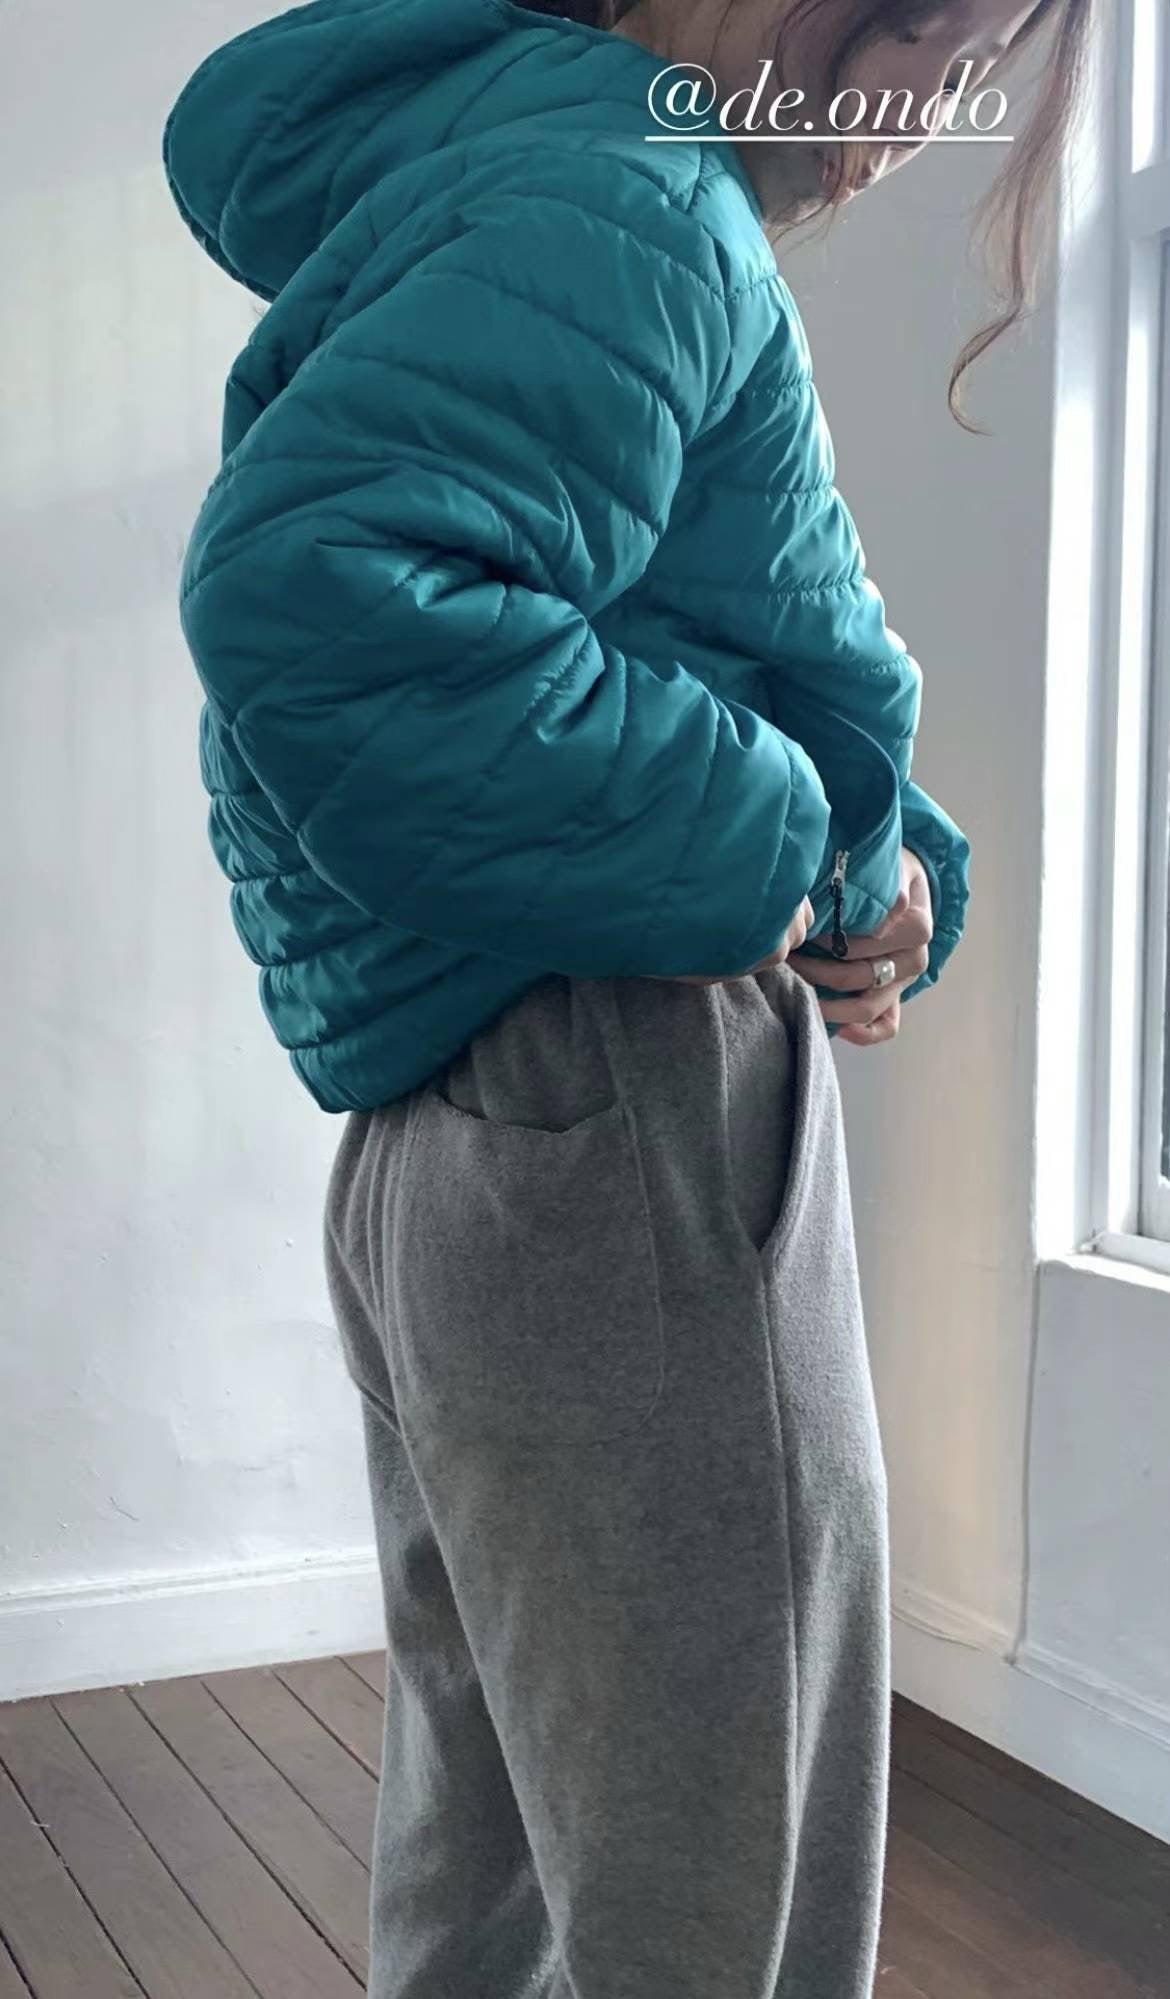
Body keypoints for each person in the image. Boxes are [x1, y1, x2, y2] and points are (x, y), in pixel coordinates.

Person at [162, 0, 1092, 1989]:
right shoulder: (639, 197)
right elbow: (329, 604)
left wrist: (878, 848)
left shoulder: (517, 163)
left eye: (982, 53)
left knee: (497, 1866)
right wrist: (802, 842)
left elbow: (650, 624)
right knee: (716, 1900)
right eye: (913, 14)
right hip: (634, 1105)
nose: (926, 103)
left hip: (473, 1127)